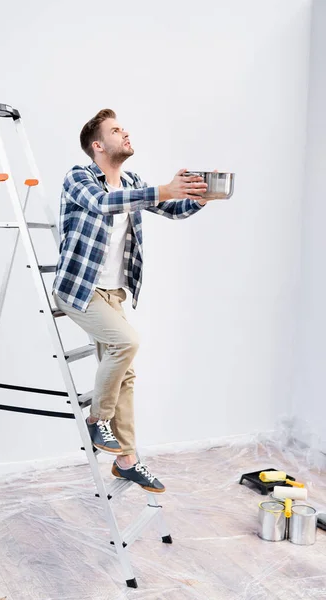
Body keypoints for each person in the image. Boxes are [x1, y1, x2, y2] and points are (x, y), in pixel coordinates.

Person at [52, 109, 209, 494]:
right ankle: (96, 420)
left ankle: (126, 461)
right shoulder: (79, 177)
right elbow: (107, 203)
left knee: (127, 374)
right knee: (128, 342)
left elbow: (169, 208)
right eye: (116, 130)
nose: (125, 134)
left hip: (113, 294)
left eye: (124, 128)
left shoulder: (133, 180)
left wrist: (196, 197)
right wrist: (163, 189)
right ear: (97, 145)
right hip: (79, 289)